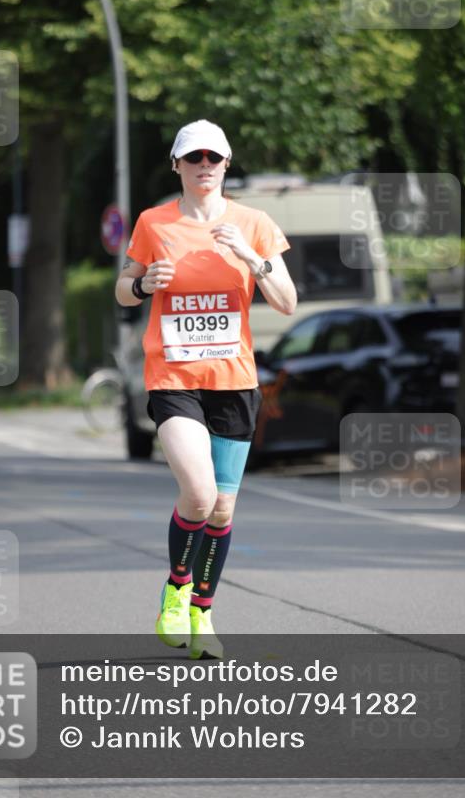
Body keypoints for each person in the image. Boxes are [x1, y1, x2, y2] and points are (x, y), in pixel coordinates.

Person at [115, 120, 297, 659]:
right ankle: (176, 588)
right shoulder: (154, 222)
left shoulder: (253, 223)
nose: (203, 166)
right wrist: (145, 283)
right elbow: (124, 290)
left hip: (234, 382)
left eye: (213, 158)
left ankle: (203, 616)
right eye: (192, 157)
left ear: (226, 164)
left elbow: (286, 301)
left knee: (221, 510)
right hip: (173, 378)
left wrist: (251, 256)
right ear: (177, 165)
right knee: (197, 493)